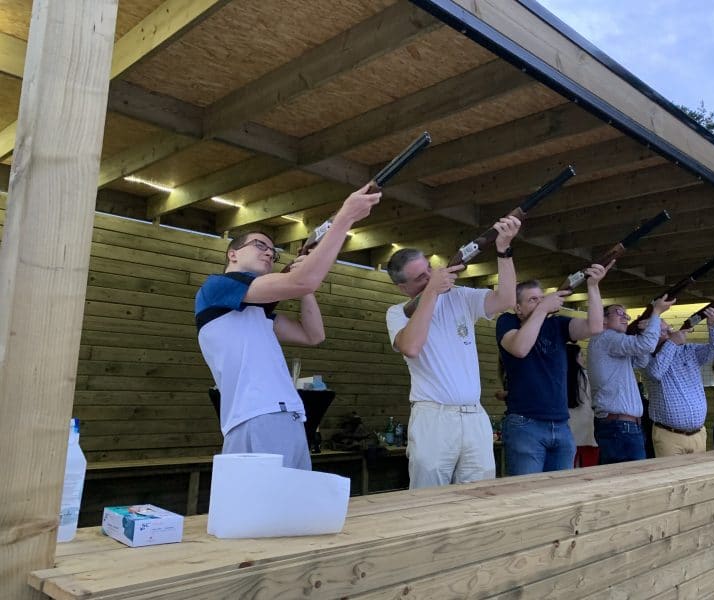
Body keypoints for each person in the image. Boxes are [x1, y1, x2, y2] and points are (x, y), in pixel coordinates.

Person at [195, 184, 381, 469]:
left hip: (287, 414)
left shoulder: (255, 313)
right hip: (258, 415)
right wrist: (345, 218)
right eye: (260, 245)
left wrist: (304, 288)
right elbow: (303, 281)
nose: (269, 254)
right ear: (232, 254)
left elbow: (313, 335)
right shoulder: (216, 287)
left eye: (273, 252)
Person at [385, 216, 521, 489]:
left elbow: (506, 299)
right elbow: (411, 346)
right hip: (433, 416)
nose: (429, 277)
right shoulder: (397, 313)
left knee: (480, 495)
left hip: (474, 414)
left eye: (429, 270)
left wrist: (504, 250)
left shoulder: (460, 296)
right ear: (403, 288)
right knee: (428, 497)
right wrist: (432, 293)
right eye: (420, 278)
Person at [495, 264, 607, 476]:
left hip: (561, 423)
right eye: (532, 299)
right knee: (527, 490)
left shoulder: (557, 325)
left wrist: (593, 286)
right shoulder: (507, 321)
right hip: (525, 422)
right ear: (518, 308)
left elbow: (594, 327)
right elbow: (520, 348)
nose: (539, 303)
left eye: (541, 298)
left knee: (561, 490)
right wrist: (543, 309)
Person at [587, 296, 675, 464]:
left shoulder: (611, 342)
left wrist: (640, 331)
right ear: (603, 320)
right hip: (620, 426)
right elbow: (647, 345)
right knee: (632, 476)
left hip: (620, 425)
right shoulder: (607, 337)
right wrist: (655, 313)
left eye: (626, 315)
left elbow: (641, 361)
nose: (625, 317)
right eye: (618, 312)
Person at [642, 307, 714, 457]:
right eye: (663, 331)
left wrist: (712, 324)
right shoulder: (645, 356)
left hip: (698, 433)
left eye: (669, 329)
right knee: (671, 472)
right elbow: (655, 372)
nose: (670, 333)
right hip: (668, 435)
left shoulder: (688, 350)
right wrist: (672, 343)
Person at [566, 344, 599, 467]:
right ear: (574, 357)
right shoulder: (589, 377)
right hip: (588, 431)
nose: (583, 358)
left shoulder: (560, 377)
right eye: (581, 355)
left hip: (567, 432)